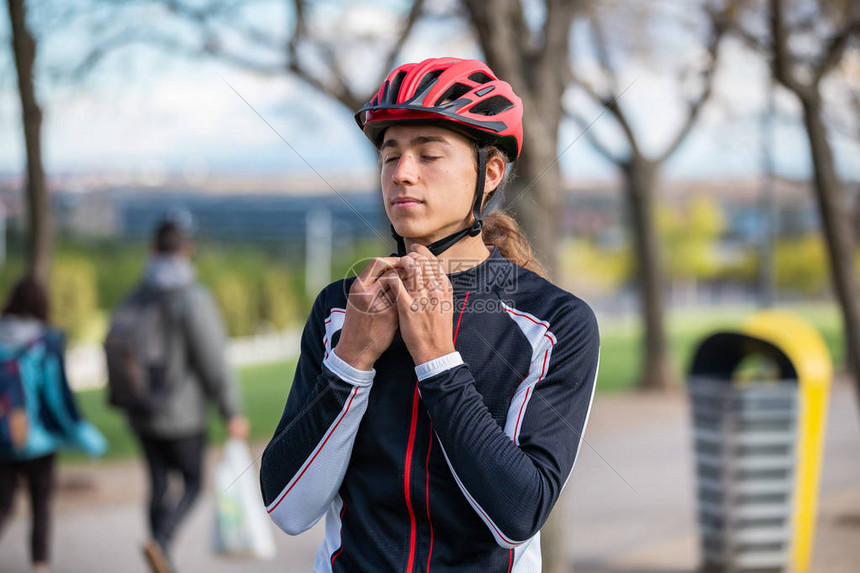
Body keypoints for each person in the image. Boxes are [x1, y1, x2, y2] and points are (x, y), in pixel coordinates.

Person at [261, 57, 600, 571]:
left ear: (489, 174)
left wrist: (438, 362)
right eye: (390, 155)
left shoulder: (555, 323)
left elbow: (518, 514)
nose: (402, 174)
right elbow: (287, 507)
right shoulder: (339, 310)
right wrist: (351, 359)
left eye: (429, 155)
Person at [118, 218, 249, 573]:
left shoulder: (138, 293)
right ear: (186, 250)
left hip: (141, 409)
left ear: (153, 249)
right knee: (192, 482)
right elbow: (213, 360)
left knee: (158, 482)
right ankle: (162, 542)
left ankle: (159, 549)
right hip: (183, 413)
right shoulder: (192, 297)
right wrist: (232, 410)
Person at [0, 276, 107, 573]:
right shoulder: (45, 342)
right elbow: (57, 396)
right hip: (38, 440)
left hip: (3, 437)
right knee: (40, 507)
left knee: (3, 503)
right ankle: (39, 565)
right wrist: (81, 432)